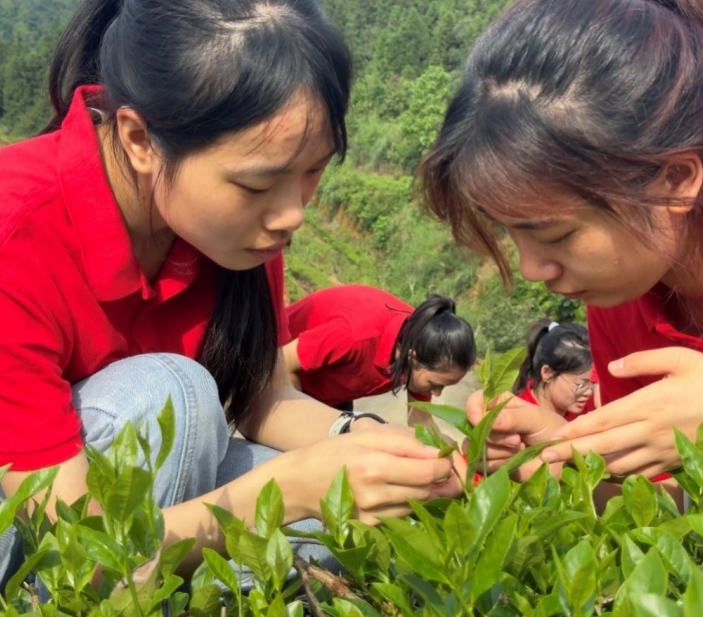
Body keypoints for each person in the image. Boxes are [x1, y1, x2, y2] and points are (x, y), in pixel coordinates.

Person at [0, 0, 463, 587]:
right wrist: (291, 487)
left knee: (346, 521)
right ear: (140, 139)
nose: (292, 214)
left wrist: (359, 441)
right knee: (172, 396)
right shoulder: (15, 234)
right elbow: (82, 546)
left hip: (133, 506)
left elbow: (260, 392)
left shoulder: (232, 235)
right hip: (45, 525)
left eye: (314, 171)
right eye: (258, 182)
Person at [418, 0, 703, 481]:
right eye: (511, 233)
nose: (530, 269)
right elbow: (676, 507)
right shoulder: (621, 296)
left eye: (557, 234)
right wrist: (564, 454)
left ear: (674, 180)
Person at [284, 285, 476, 430]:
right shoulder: (354, 334)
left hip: (328, 389)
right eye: (436, 384)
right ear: (412, 357)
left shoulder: (423, 342)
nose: (437, 393)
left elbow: (420, 421)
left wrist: (456, 460)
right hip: (276, 370)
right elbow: (283, 363)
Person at [513, 320, 594, 421]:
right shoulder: (518, 419)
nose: (589, 392)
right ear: (547, 373)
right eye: (580, 385)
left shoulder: (589, 407)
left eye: (592, 383)